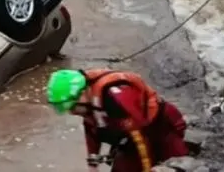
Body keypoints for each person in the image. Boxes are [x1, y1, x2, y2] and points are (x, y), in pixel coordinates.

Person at [46, 69, 189, 172]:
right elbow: (91, 130)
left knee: (178, 166)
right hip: (129, 138)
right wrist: (93, 165)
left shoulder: (114, 97)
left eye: (72, 107)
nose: (72, 112)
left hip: (161, 127)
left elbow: (140, 139)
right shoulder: (89, 104)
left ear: (82, 93)